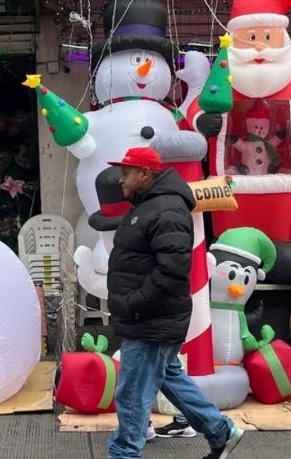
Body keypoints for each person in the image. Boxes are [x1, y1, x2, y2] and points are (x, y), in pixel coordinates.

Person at [105, 146, 243, 459]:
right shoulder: (151, 205)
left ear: (144, 174)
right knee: (169, 378)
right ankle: (220, 430)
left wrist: (137, 304)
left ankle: (124, 453)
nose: (120, 179)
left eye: (126, 172)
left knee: (132, 393)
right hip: (150, 317)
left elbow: (172, 269)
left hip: (151, 319)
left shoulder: (165, 209)